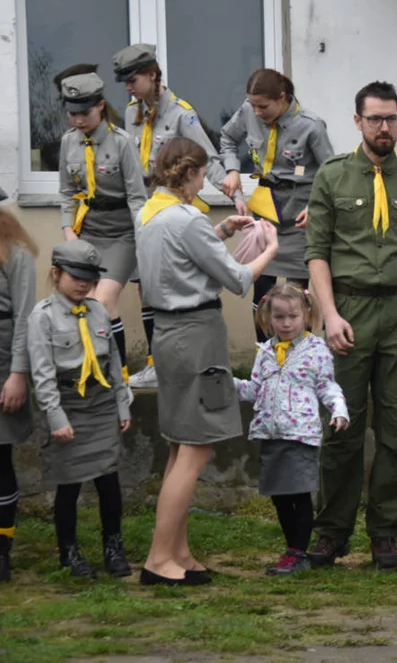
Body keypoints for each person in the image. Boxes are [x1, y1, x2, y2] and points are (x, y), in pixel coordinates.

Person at [304, 81, 397, 571]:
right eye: (375, 119)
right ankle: (331, 532)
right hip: (350, 309)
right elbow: (316, 253)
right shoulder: (332, 177)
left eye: (392, 119)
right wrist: (330, 316)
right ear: (357, 121)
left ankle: (385, 530)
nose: (384, 128)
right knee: (342, 428)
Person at [136, 138, 278, 585]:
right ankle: (159, 559)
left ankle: (178, 552)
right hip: (196, 334)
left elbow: (179, 258)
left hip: (168, 333)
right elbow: (236, 279)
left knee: (182, 443)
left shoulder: (151, 213)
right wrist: (269, 250)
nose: (206, 185)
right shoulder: (188, 219)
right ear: (192, 174)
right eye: (204, 176)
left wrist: (220, 233)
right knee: (196, 449)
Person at [112, 43, 231, 389]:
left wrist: (234, 191)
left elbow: (206, 159)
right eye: (124, 82)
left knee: (174, 286)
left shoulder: (181, 114)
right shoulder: (133, 111)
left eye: (132, 79)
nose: (128, 87)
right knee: (145, 288)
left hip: (173, 211)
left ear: (152, 74)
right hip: (144, 211)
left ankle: (179, 362)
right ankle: (154, 363)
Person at [27, 240, 132, 579]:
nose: (84, 283)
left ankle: (113, 547)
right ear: (56, 274)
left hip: (101, 406)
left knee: (109, 482)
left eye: (90, 277)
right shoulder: (42, 317)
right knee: (69, 484)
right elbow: (42, 376)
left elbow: (114, 363)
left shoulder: (99, 310)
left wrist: (122, 405)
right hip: (68, 405)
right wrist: (56, 418)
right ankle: (69, 552)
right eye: (76, 276)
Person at [235, 282, 349, 576]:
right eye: (279, 317)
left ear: (307, 315)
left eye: (293, 316)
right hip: (270, 434)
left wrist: (338, 410)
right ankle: (293, 550)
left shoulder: (316, 350)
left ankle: (297, 552)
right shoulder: (265, 352)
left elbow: (327, 385)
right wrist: (226, 384)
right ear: (267, 318)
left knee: (298, 493)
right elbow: (254, 389)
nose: (286, 323)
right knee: (280, 495)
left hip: (301, 435)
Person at [219, 68, 335, 343]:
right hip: (266, 213)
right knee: (262, 290)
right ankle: (265, 355)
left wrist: (318, 206)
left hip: (299, 219)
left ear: (283, 97)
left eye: (263, 106)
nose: (257, 112)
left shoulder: (311, 126)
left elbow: (331, 173)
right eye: (253, 105)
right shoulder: (248, 110)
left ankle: (300, 359)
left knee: (297, 296)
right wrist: (232, 169)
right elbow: (226, 139)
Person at [57, 72, 147, 383]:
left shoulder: (121, 143)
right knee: (83, 301)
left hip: (122, 233)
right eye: (72, 113)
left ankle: (118, 377)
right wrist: (69, 233)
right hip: (87, 231)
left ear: (101, 106)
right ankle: (93, 369)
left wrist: (143, 240)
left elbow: (138, 198)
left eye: (84, 112)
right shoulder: (68, 142)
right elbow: (67, 193)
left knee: (103, 300)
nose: (78, 120)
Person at [0, 203, 38, 583]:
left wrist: (17, 374)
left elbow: (26, 317)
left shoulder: (16, 252)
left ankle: (2, 549)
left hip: (3, 360)